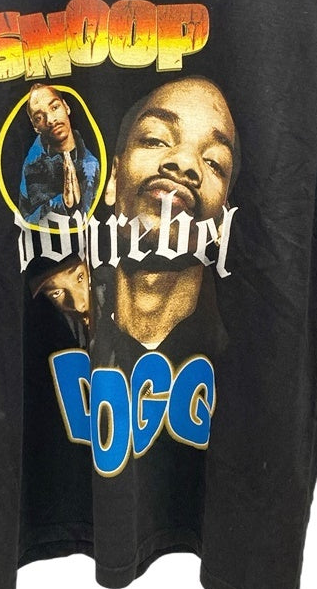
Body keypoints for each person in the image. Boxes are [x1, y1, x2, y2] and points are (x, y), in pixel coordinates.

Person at [92, 75, 241, 375]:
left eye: (213, 161)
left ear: (223, 222)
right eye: (155, 139)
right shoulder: (63, 323)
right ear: (113, 180)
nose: (184, 162)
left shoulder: (245, 360)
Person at [18, 82, 100, 225]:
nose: (50, 120)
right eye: (39, 118)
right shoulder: (32, 167)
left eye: (54, 108)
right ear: (35, 127)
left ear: (66, 107)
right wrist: (62, 203)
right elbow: (25, 222)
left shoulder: (92, 163)